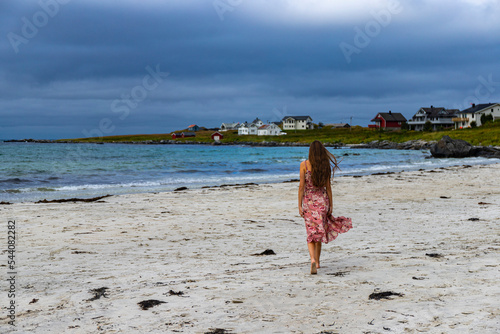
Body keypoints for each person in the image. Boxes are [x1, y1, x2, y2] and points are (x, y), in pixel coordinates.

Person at [298, 140, 352, 274]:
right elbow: (328, 187)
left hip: (309, 203)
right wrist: (330, 205)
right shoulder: (324, 166)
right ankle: (318, 262)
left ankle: (312, 260)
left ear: (310, 152)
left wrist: (299, 205)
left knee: (311, 233)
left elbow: (301, 187)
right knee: (320, 233)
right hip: (322, 202)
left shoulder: (304, 165)